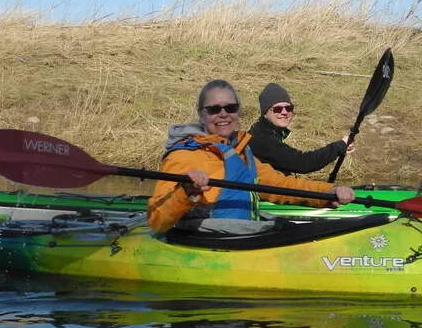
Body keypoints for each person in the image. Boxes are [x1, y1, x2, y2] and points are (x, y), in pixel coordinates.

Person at [147, 79, 355, 234]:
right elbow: (157, 221)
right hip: (210, 242)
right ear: (201, 114)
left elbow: (282, 186)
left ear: (238, 112)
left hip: (243, 234)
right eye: (214, 109)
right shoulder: (183, 156)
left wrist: (330, 192)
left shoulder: (241, 152)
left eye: (231, 108)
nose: (223, 114)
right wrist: (187, 192)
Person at [247, 82, 354, 175]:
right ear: (265, 113)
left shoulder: (267, 131)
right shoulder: (262, 139)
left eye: (288, 108)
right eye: (277, 109)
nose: (284, 112)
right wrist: (339, 146)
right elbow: (303, 163)